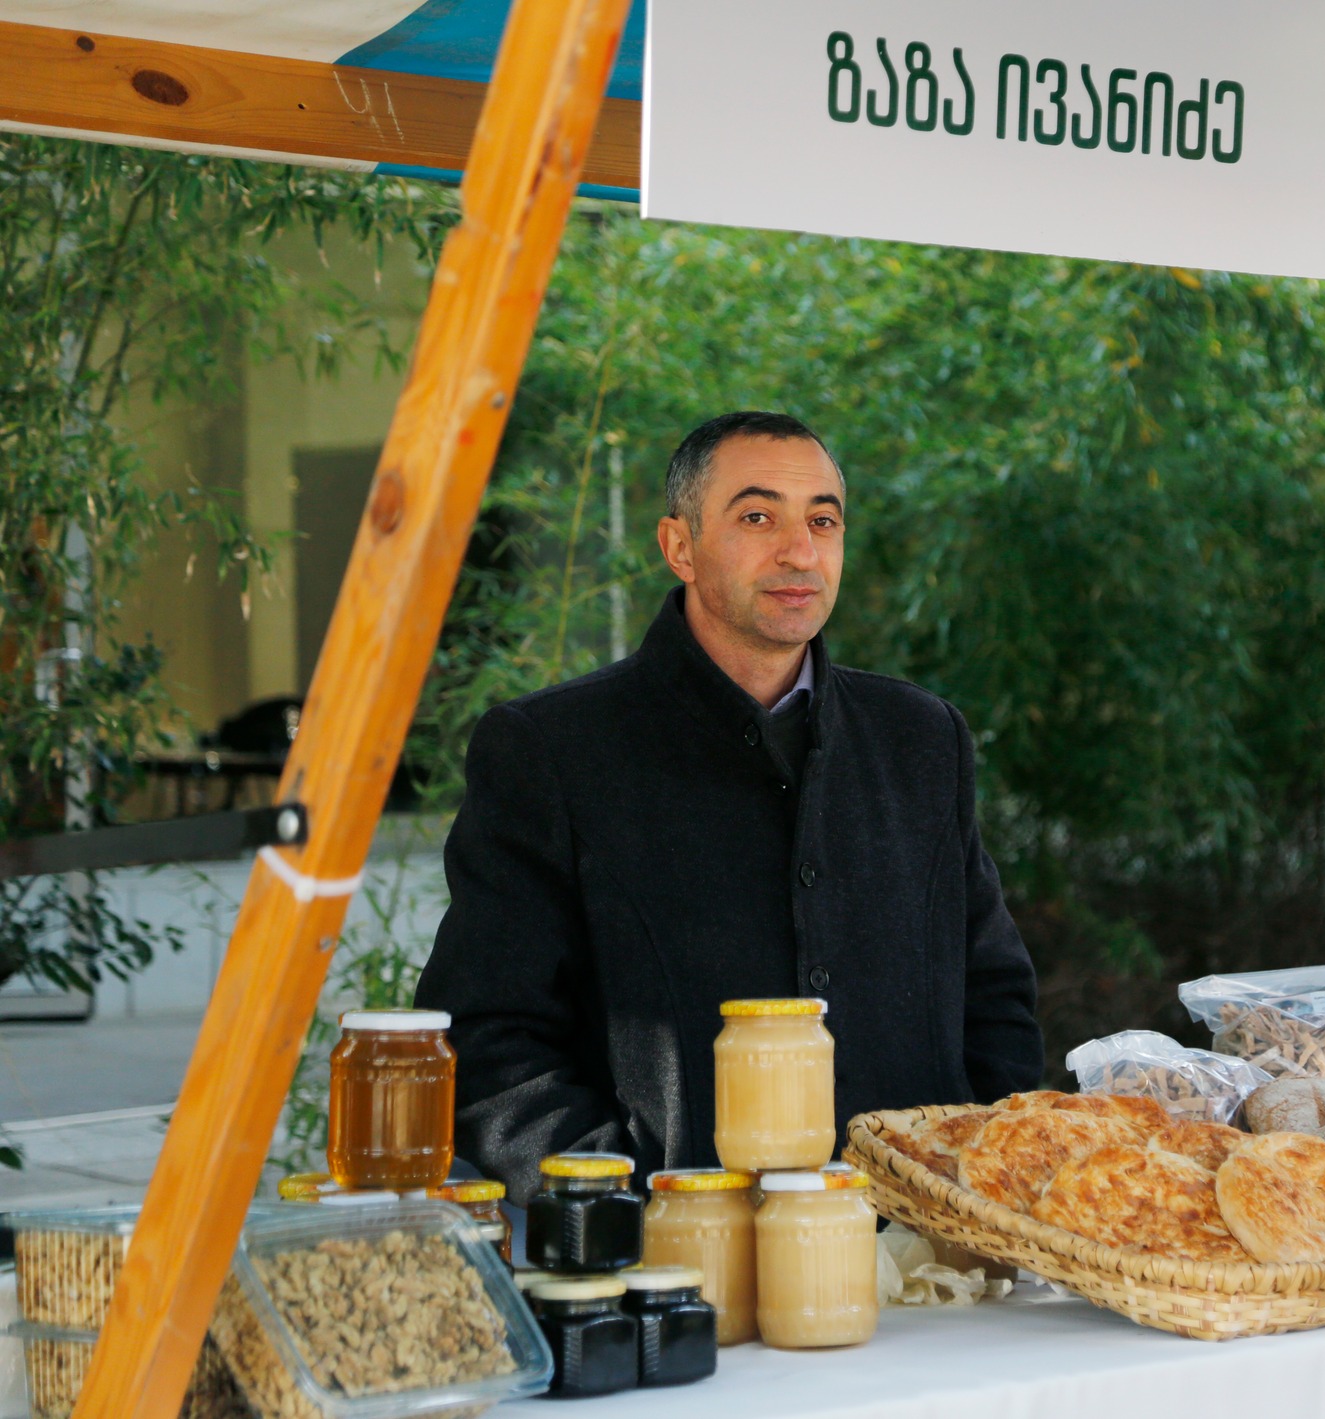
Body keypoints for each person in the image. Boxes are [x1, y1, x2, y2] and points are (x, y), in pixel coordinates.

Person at [415, 411, 1042, 1201]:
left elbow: (995, 1002)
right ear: (679, 546)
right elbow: (488, 1038)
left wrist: (980, 1191)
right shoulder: (552, 750)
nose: (800, 552)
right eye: (757, 518)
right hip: (673, 1252)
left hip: (922, 1247)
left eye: (823, 521)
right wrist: (625, 1209)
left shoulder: (920, 738)